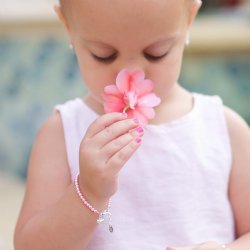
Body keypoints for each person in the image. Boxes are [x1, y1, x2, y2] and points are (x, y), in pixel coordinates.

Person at [14, 0, 250, 249]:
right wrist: (88, 192)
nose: (130, 73)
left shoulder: (224, 129)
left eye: (156, 53)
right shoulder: (61, 134)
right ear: (68, 27)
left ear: (189, 20)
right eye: (103, 55)